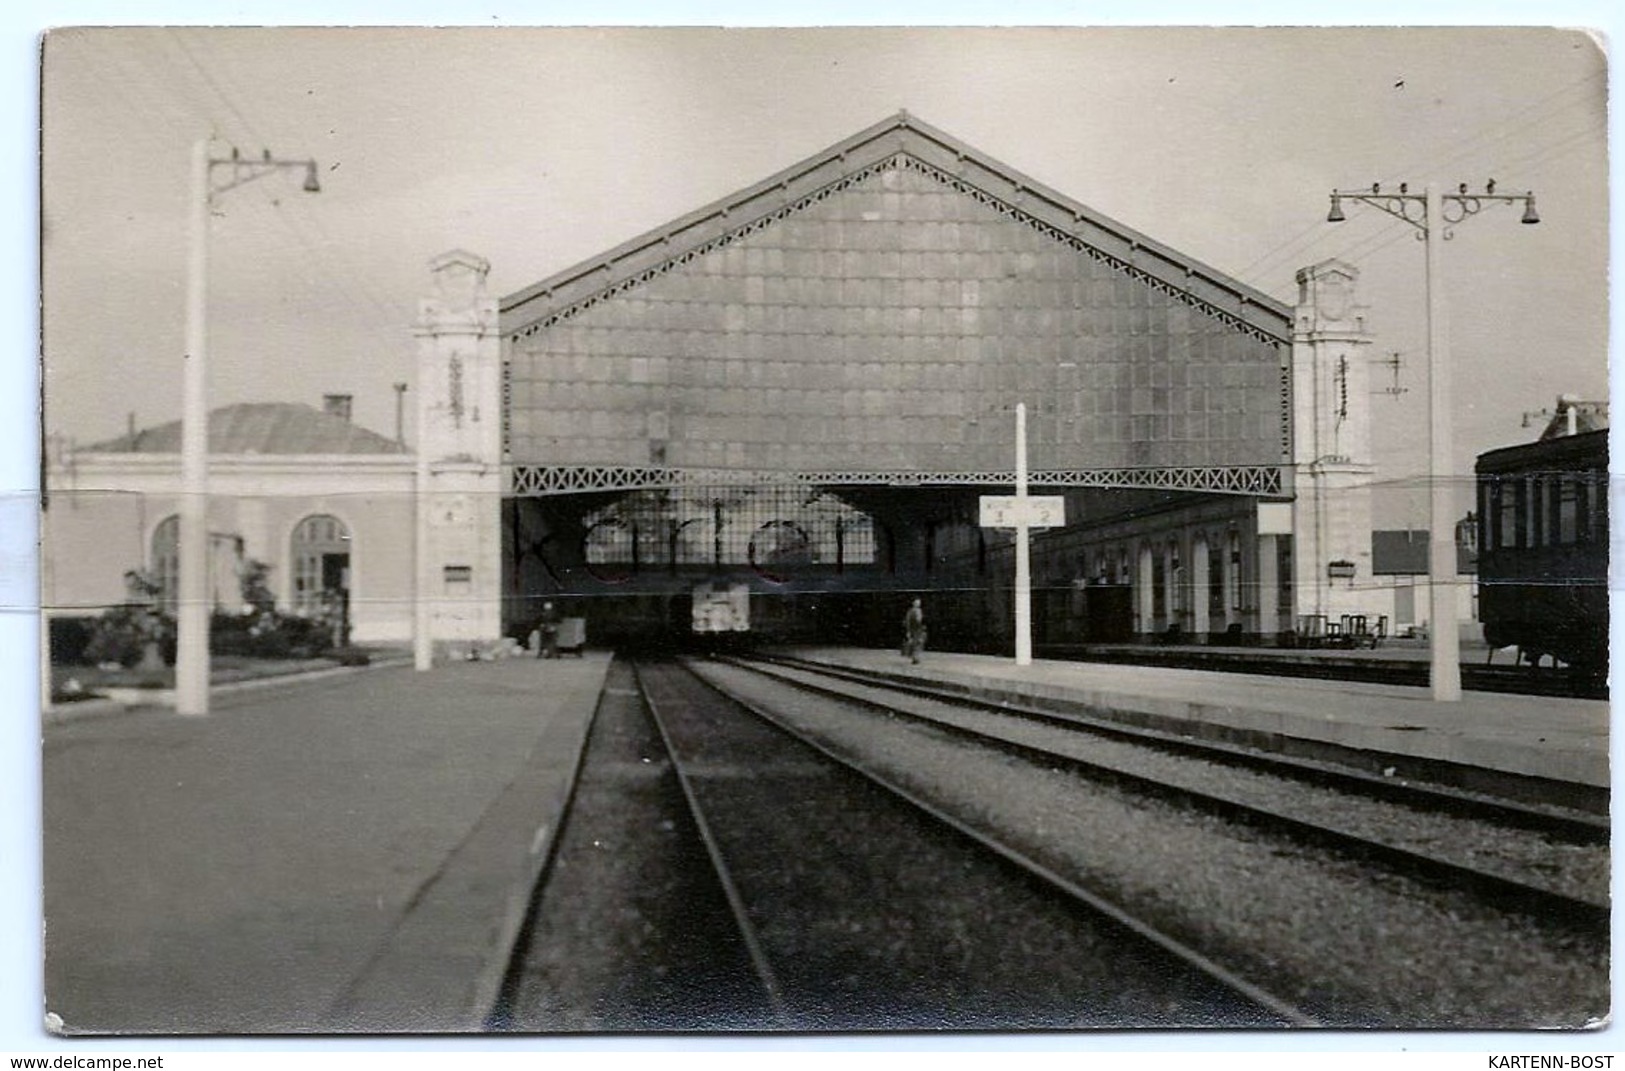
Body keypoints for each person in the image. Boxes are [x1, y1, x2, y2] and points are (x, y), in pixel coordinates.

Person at [902, 598, 926, 664]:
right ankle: (915, 658)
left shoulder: (919, 610)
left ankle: (916, 658)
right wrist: (908, 631)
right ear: (913, 603)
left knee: (918, 644)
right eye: (916, 603)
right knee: (915, 644)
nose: (918, 604)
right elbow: (908, 621)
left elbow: (920, 621)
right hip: (914, 629)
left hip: (918, 629)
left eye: (919, 603)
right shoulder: (910, 611)